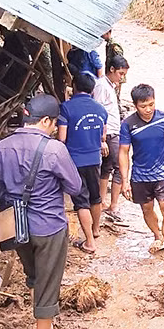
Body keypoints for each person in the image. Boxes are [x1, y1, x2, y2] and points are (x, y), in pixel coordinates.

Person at [0, 94, 81, 329]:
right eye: (53, 124)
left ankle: (44, 327)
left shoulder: (0, 147)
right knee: (48, 280)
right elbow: (75, 185)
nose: (54, 129)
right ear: (47, 121)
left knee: (34, 275)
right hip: (49, 225)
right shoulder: (54, 149)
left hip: (16, 225)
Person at [119, 84, 164, 269]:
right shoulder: (128, 124)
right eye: (144, 106)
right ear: (135, 105)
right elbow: (124, 152)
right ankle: (157, 235)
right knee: (147, 210)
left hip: (163, 174)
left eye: (151, 104)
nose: (148, 109)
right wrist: (125, 181)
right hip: (140, 176)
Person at [57, 73, 108, 254]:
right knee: (95, 197)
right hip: (95, 159)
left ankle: (89, 243)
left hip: (75, 161)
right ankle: (95, 230)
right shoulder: (101, 110)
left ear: (74, 87)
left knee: (81, 201)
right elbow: (103, 137)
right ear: (92, 89)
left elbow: (62, 138)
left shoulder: (66, 108)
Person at [92, 55, 128, 226]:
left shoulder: (109, 85)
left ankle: (103, 201)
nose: (122, 77)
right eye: (120, 73)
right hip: (110, 133)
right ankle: (113, 204)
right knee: (119, 168)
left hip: (112, 131)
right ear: (112, 70)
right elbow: (98, 112)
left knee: (106, 168)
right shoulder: (101, 86)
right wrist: (102, 138)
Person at [102, 29, 125, 105]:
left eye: (103, 33)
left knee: (115, 96)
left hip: (116, 75)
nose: (101, 36)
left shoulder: (114, 46)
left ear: (108, 32)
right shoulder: (109, 44)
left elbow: (119, 61)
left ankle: (119, 112)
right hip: (112, 74)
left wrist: (117, 79)